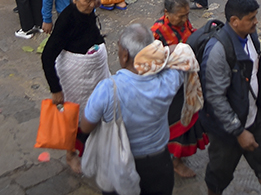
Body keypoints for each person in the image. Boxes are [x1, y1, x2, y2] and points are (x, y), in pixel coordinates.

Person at [79, 23, 190, 195]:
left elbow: (86, 127)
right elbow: (182, 50)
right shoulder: (169, 80)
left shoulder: (108, 89)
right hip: (159, 164)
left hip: (119, 165)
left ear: (124, 56)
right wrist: (158, 53)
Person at [198, 0, 261, 195]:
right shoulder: (217, 51)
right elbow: (215, 98)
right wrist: (239, 131)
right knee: (218, 175)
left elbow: (252, 64)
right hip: (227, 130)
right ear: (234, 21)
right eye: (251, 18)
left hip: (253, 118)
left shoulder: (250, 35)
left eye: (255, 16)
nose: (256, 22)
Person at [41, 0, 106, 174]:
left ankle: (93, 146)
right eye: (87, 1)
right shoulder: (66, 20)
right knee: (73, 116)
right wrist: (56, 89)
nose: (92, 4)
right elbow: (46, 57)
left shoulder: (90, 11)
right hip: (74, 75)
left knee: (97, 110)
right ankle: (71, 154)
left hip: (94, 70)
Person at [151, 0, 208, 178]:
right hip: (169, 87)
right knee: (174, 123)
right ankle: (174, 161)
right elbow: (152, 62)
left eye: (187, 15)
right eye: (181, 15)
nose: (185, 19)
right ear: (167, 13)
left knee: (189, 118)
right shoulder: (157, 32)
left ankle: (178, 157)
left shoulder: (184, 22)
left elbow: (190, 37)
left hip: (187, 80)